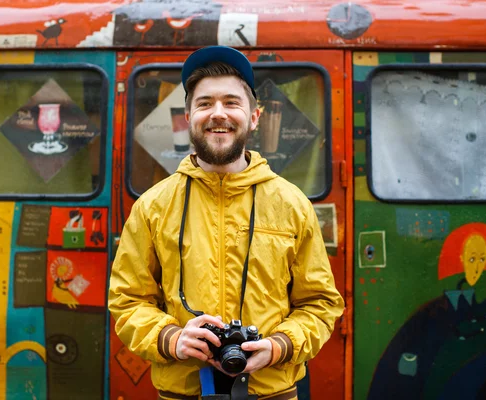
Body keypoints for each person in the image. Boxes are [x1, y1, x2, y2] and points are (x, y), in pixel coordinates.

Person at [109, 45, 344, 400]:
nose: (218, 114)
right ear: (187, 117)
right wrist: (172, 338)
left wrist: (279, 346)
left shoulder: (292, 204)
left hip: (273, 392)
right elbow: (127, 301)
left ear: (254, 117)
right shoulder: (152, 207)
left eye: (232, 102)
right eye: (204, 104)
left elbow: (321, 304)